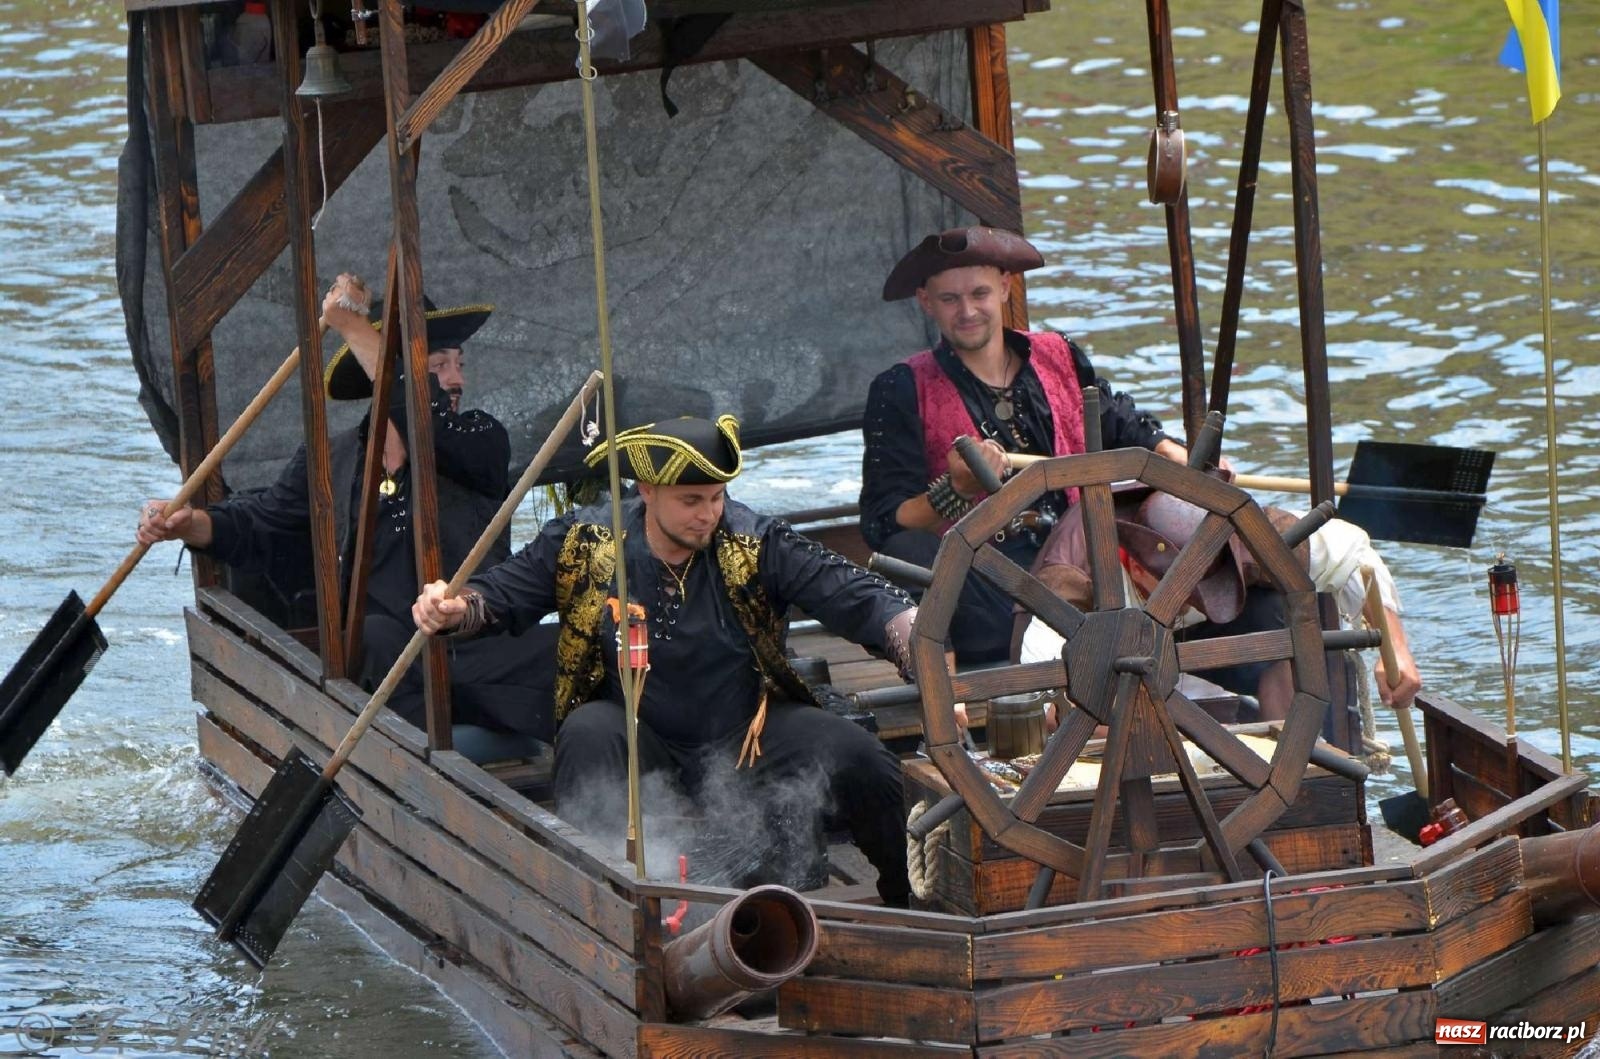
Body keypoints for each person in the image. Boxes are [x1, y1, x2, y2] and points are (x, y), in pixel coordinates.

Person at [412, 415, 920, 905]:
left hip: (746, 735)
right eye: (691, 500)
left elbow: (851, 592)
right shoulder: (583, 542)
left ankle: (912, 897)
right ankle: (599, 908)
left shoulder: (755, 542)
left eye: (717, 497)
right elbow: (499, 594)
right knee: (586, 733)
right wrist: (455, 607)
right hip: (636, 734)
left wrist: (912, 636)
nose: (709, 514)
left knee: (863, 755)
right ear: (646, 490)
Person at [137, 275, 554, 755]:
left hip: (473, 652)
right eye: (438, 366)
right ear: (384, 376)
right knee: (373, 638)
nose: (456, 379)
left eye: (458, 364)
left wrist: (351, 325)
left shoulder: (481, 440)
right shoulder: (332, 460)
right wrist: (189, 523)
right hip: (388, 670)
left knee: (567, 649)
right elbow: (260, 524)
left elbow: (424, 421)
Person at [860, 225, 1187, 664]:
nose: (968, 311)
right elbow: (884, 524)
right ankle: (946, 694)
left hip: (1085, 574)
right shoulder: (899, 388)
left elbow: (1128, 427)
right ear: (926, 303)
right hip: (986, 593)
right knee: (907, 553)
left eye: (979, 293)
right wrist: (956, 489)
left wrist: (1174, 454)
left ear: (1004, 287)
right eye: (949, 299)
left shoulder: (1060, 355)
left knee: (1177, 527)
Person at [1017, 481, 1422, 720]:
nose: (1193, 598)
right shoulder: (1074, 580)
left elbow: (1355, 557)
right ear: (1137, 569)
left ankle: (1294, 768)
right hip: (1107, 659)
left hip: (1202, 641)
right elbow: (1044, 693)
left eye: (1203, 586)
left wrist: (1396, 652)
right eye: (1182, 591)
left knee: (1280, 614)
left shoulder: (1245, 536)